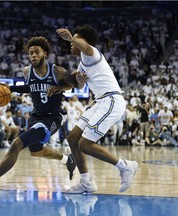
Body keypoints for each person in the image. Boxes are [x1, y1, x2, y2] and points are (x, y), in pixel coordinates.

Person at [0, 36, 80, 191]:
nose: (33, 55)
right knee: (36, 151)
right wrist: (11, 88)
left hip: (52, 118)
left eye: (37, 52)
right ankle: (66, 160)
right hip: (36, 116)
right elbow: (30, 88)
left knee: (16, 144)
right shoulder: (27, 72)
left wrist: (60, 88)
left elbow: (75, 84)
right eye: (31, 53)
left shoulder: (57, 71)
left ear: (45, 54)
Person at [56, 25, 138, 193]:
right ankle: (86, 182)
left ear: (82, 42)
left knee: (85, 144)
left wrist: (71, 37)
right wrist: (75, 81)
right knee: (72, 138)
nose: (72, 44)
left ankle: (125, 166)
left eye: (76, 40)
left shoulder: (91, 53)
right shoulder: (82, 64)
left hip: (111, 100)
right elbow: (78, 85)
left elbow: (84, 46)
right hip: (100, 102)